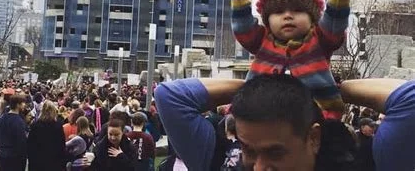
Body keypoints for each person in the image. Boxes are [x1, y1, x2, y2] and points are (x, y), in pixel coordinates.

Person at [155, 75, 415, 170]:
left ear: (313, 138)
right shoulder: (217, 159)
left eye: (275, 152)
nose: (259, 167)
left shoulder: (367, 162)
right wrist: (260, 86)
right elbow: (170, 96)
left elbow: (410, 99)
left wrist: (330, 88)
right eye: (248, 150)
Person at [226, 0, 357, 119]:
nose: (287, 16)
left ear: (313, 18)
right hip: (261, 118)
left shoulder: (320, 38)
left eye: (297, 10)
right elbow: (242, 26)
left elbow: (336, 18)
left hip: (314, 119)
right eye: (278, 11)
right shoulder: (262, 40)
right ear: (267, 20)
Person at [27, 100, 66, 171]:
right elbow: (62, 145)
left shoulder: (35, 126)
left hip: (38, 162)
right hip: (54, 161)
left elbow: (30, 145)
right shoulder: (58, 126)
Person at [0, 94, 27, 171]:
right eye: (22, 103)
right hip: (15, 157)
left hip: (3, 154)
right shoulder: (19, 122)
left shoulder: (1, 119)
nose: (24, 105)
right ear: (17, 105)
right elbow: (21, 141)